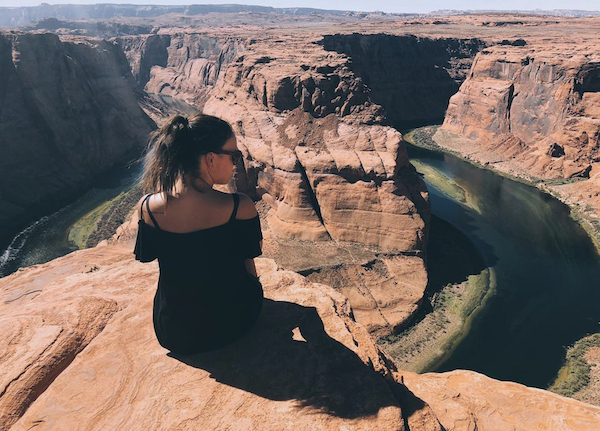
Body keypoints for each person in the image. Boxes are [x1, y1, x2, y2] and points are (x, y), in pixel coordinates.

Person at [133, 113, 263, 355]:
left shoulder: (148, 208)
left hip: (174, 332)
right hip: (235, 322)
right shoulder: (239, 207)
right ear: (211, 158)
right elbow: (250, 264)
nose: (237, 163)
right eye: (234, 155)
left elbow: (148, 255)